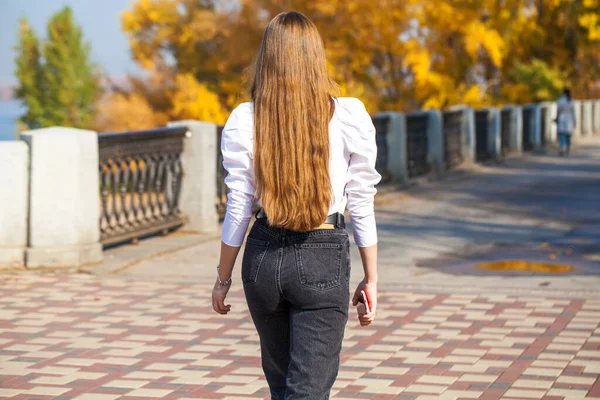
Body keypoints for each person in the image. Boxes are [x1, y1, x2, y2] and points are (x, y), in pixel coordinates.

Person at [211, 11, 381, 399]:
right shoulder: (348, 115)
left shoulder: (245, 118)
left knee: (283, 387)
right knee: (306, 392)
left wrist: (223, 278)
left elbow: (239, 206)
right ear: (315, 56)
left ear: (266, 58)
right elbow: (362, 202)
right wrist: (371, 279)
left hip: (263, 258)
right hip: (323, 254)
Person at [556, 88, 576, 156]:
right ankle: (568, 147)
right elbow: (573, 112)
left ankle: (562, 147)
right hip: (569, 118)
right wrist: (574, 120)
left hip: (562, 118)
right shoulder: (571, 100)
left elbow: (558, 110)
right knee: (568, 135)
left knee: (562, 134)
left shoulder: (560, 100)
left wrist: (557, 118)